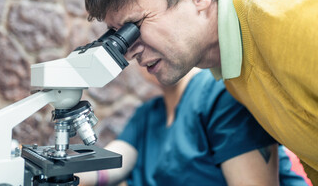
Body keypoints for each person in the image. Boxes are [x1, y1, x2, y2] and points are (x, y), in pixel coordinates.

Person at [83, 0, 318, 183]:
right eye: (119, 35)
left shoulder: (292, 14)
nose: (130, 51)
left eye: (133, 25)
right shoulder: (236, 76)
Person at [77, 69, 309, 186]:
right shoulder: (148, 114)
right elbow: (111, 164)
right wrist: (62, 174)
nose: (140, 50)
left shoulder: (221, 93)